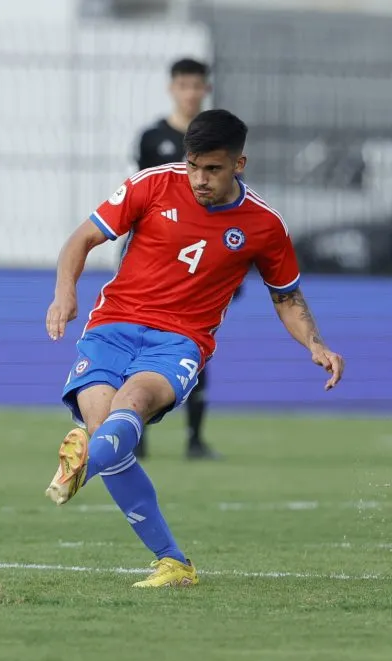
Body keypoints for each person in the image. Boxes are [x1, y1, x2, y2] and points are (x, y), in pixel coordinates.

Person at [44, 110, 344, 588]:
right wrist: (65, 293)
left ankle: (80, 465)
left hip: (179, 342)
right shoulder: (153, 184)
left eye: (213, 170)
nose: (199, 180)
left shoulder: (264, 225)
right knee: (109, 436)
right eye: (193, 167)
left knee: (132, 406)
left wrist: (315, 342)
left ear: (238, 164)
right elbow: (81, 240)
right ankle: (174, 563)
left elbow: (286, 296)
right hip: (111, 327)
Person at [129, 57, 236, 461]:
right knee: (140, 342)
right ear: (172, 88)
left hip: (203, 260)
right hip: (153, 260)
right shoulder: (152, 138)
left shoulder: (219, 143)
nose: (190, 93)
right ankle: (136, 434)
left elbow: (230, 201)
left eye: (197, 86)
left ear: (205, 89)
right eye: (184, 85)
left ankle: (195, 437)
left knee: (196, 340)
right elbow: (136, 198)